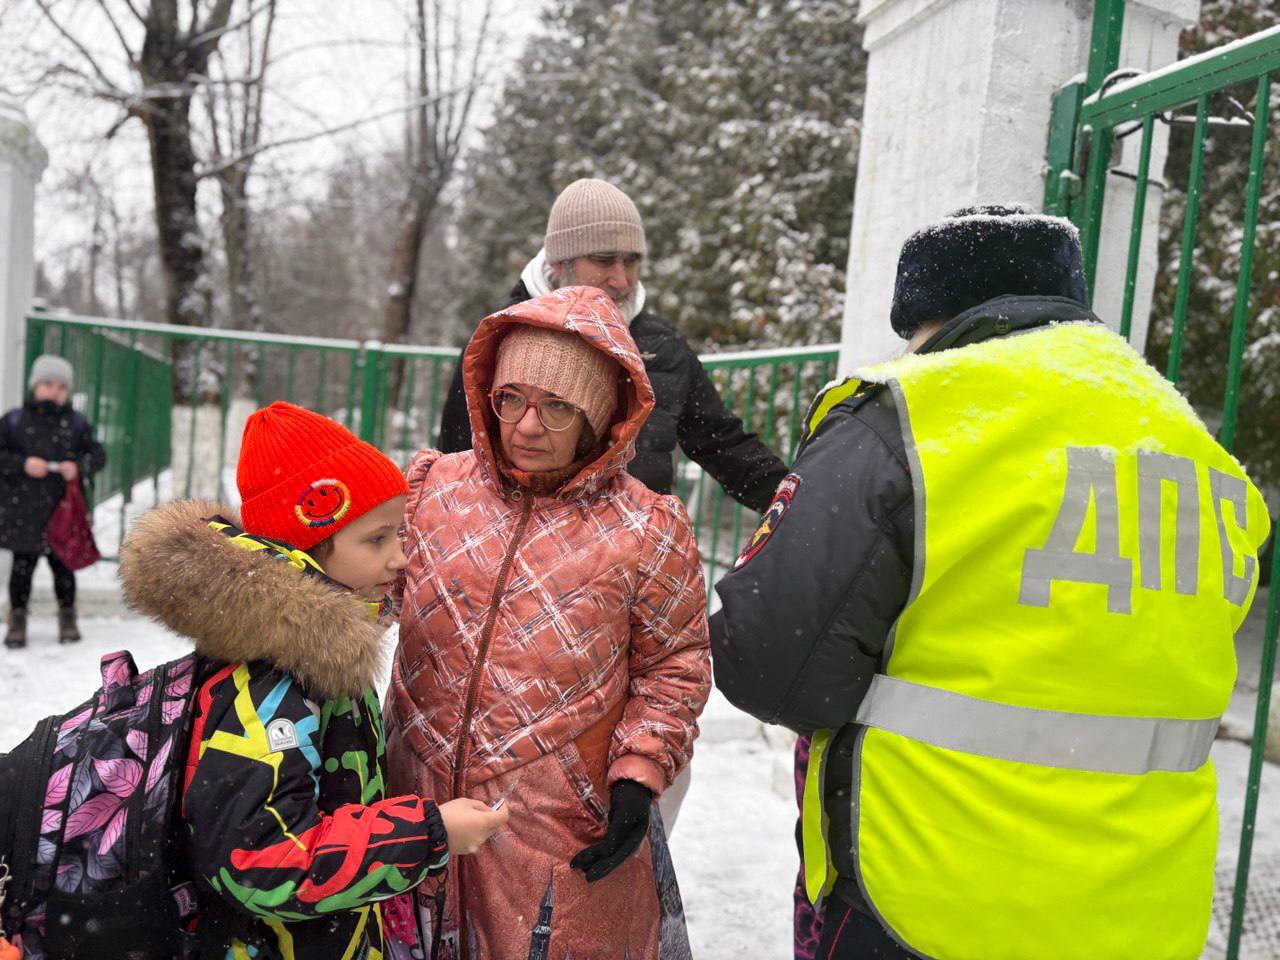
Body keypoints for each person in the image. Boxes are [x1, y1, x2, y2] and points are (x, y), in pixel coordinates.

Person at [711, 205, 1272, 960]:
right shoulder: (1200, 452)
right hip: (1142, 914)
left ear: (932, 320)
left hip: (933, 899)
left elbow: (770, 664)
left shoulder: (916, 417)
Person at [386, 286, 711, 958]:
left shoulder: (646, 527)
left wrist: (638, 773)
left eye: (558, 406)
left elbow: (674, 665)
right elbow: (357, 589)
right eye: (512, 400)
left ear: (599, 418)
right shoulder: (431, 490)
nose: (528, 426)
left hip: (554, 825)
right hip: (414, 810)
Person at [119, 401, 508, 960]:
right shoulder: (270, 686)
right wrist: (427, 834)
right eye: (376, 540)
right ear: (306, 546)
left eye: (398, 534)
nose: (401, 557)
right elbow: (260, 861)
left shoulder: (319, 659)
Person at [438, 177, 788, 514]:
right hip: (517, 561)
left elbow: (723, 444)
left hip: (631, 560)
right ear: (560, 263)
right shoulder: (498, 338)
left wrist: (798, 505)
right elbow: (457, 463)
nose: (621, 279)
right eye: (604, 260)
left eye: (632, 261)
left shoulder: (660, 346)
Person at [1, 355, 105, 648]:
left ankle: (67, 616)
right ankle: (17, 618)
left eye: (62, 386)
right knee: (22, 568)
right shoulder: (14, 421)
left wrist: (78, 466)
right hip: (24, 510)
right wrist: (22, 464)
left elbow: (97, 455)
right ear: (35, 385)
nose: (54, 391)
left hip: (62, 513)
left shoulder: (76, 423)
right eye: (48, 384)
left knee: (64, 568)